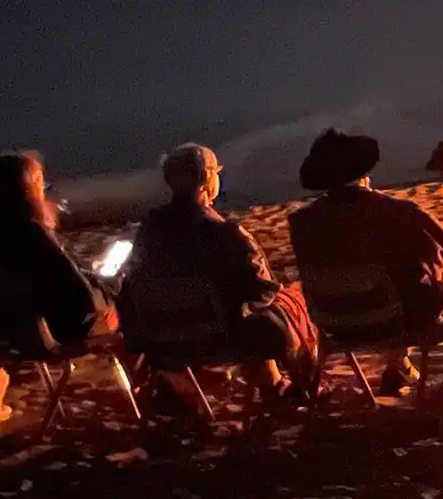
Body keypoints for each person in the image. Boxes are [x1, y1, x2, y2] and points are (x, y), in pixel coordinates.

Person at [120, 144, 319, 403]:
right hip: (220, 339)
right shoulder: (224, 234)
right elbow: (263, 289)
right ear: (207, 181)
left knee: (244, 309)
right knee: (285, 304)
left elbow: (131, 286)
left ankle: (180, 386)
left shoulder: (148, 233)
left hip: (163, 340)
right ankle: (289, 385)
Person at [287, 128, 443, 394]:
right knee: (430, 278)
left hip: (335, 323)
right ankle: (406, 363)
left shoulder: (301, 223)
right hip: (395, 320)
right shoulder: (397, 212)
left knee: (390, 282)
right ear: (363, 172)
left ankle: (399, 365)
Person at [0, 152, 113, 348]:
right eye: (39, 180)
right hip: (52, 336)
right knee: (132, 313)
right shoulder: (29, 232)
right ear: (26, 188)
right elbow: (82, 297)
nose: (44, 187)